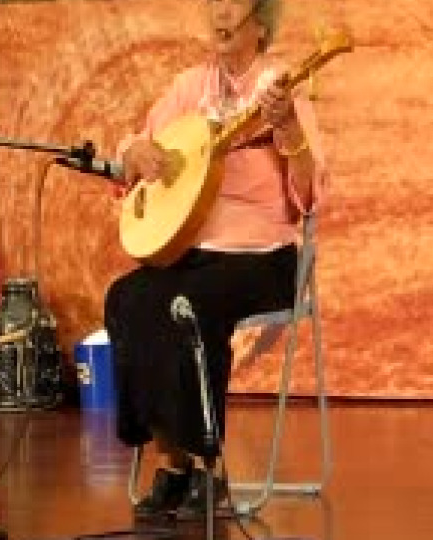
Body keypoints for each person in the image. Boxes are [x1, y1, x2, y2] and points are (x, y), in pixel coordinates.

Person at [103, 0, 327, 519]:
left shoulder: (281, 90)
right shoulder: (190, 88)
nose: (221, 12)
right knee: (127, 298)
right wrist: (135, 151)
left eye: (233, 4)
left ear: (260, 25)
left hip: (264, 258)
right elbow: (135, 148)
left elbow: (311, 195)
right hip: (194, 254)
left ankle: (208, 468)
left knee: (185, 306)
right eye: (215, 3)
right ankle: (173, 464)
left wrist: (289, 130)